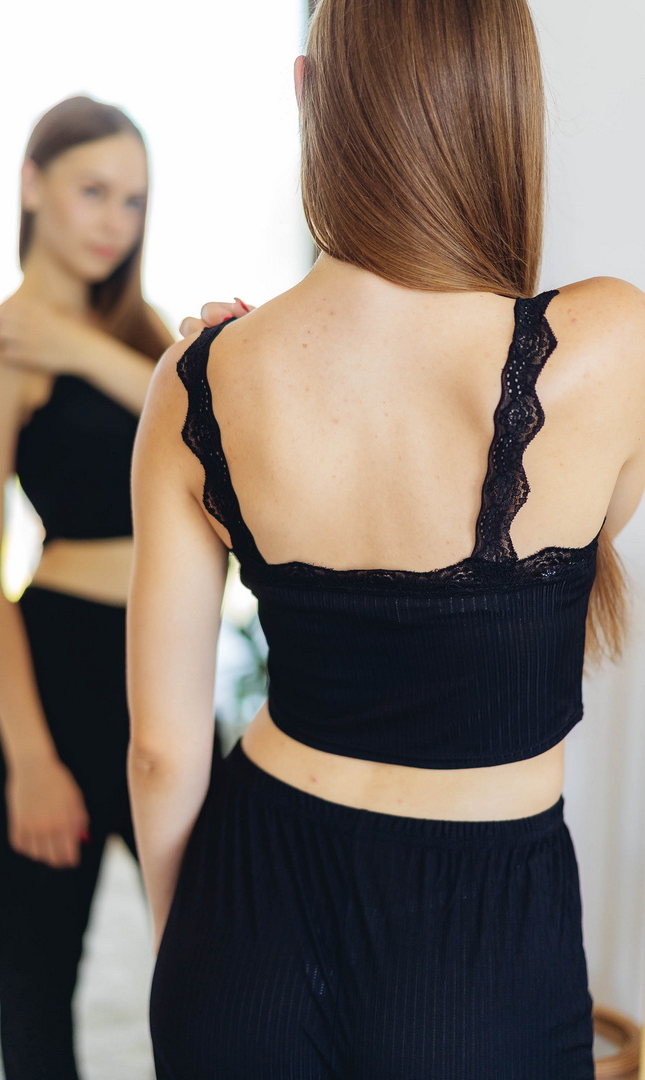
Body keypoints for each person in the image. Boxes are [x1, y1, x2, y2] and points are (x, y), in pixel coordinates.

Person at [128, 1, 645, 1077]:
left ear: (308, 92)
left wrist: (189, 955)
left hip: (246, 923)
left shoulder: (199, 381)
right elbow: (588, 532)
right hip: (481, 963)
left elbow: (162, 753)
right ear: (506, 103)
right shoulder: (614, 344)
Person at [0, 95, 175, 1080]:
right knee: (41, 984)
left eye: (133, 200)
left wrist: (85, 348)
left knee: (217, 959)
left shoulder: (146, 336)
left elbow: (211, 440)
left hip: (162, 675)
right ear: (32, 185)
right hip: (57, 675)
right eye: (93, 190)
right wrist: (30, 757)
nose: (113, 220)